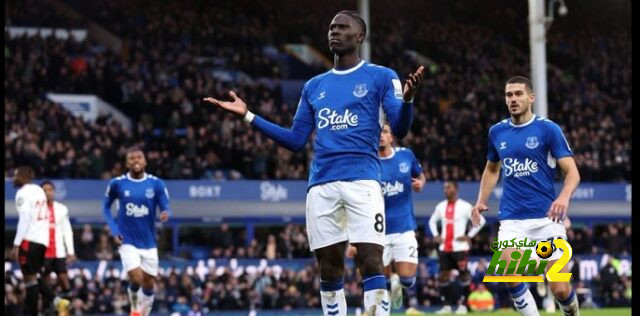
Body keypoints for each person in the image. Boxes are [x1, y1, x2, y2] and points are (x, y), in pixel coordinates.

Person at [203, 10, 424, 316]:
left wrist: (408, 100)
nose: (334, 31)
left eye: (342, 27)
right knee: (330, 267)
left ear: (359, 36)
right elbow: (295, 141)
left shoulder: (381, 76)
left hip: (362, 181)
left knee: (371, 259)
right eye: (331, 27)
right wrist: (248, 115)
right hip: (320, 185)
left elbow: (399, 128)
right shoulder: (314, 86)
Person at [471, 76, 581, 316]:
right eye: (509, 95)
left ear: (531, 97)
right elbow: (492, 169)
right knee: (511, 275)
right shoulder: (497, 132)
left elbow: (572, 172)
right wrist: (481, 200)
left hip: (547, 220)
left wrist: (563, 198)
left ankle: (571, 309)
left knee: (559, 288)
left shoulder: (548, 129)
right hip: (512, 219)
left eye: (518, 94)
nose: (513, 99)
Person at [103, 148, 171, 316]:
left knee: (148, 283)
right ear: (127, 163)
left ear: (145, 161)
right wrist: (114, 229)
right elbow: (105, 207)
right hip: (127, 240)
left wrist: (165, 212)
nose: (135, 160)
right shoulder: (117, 183)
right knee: (135, 277)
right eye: (131, 158)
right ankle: (134, 309)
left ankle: (143, 313)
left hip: (148, 242)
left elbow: (165, 204)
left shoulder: (156, 183)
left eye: (139, 157)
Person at [378, 122, 425, 311]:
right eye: (378, 132)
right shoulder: (369, 162)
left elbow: (421, 176)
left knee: (408, 279)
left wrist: (420, 183)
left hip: (404, 228)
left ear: (391, 137)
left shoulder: (406, 156)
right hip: (378, 233)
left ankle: (399, 280)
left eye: (385, 131)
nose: (381, 135)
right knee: (383, 283)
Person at [10, 166, 70, 316]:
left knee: (30, 282)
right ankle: (56, 301)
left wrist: (17, 244)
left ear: (23, 176)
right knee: (35, 277)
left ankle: (37, 311)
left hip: (29, 240)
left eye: (16, 175)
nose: (13, 178)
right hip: (42, 241)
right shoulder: (38, 191)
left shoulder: (22, 193)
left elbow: (24, 219)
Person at [429, 181, 485, 314]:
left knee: (464, 275)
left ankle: (463, 305)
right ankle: (447, 306)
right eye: (444, 188)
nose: (445, 190)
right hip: (444, 248)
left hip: (460, 248)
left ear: (456, 189)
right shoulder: (440, 206)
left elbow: (481, 220)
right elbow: (432, 221)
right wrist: (436, 235)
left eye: (448, 187)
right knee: (443, 276)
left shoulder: (465, 206)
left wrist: (469, 235)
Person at [41, 180, 76, 314]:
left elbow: (67, 231)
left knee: (63, 278)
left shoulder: (61, 209)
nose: (47, 192)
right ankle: (47, 309)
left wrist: (71, 251)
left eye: (50, 190)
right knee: (45, 282)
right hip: (42, 252)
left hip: (59, 252)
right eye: (44, 190)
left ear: (54, 192)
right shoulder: (36, 209)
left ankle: (67, 307)